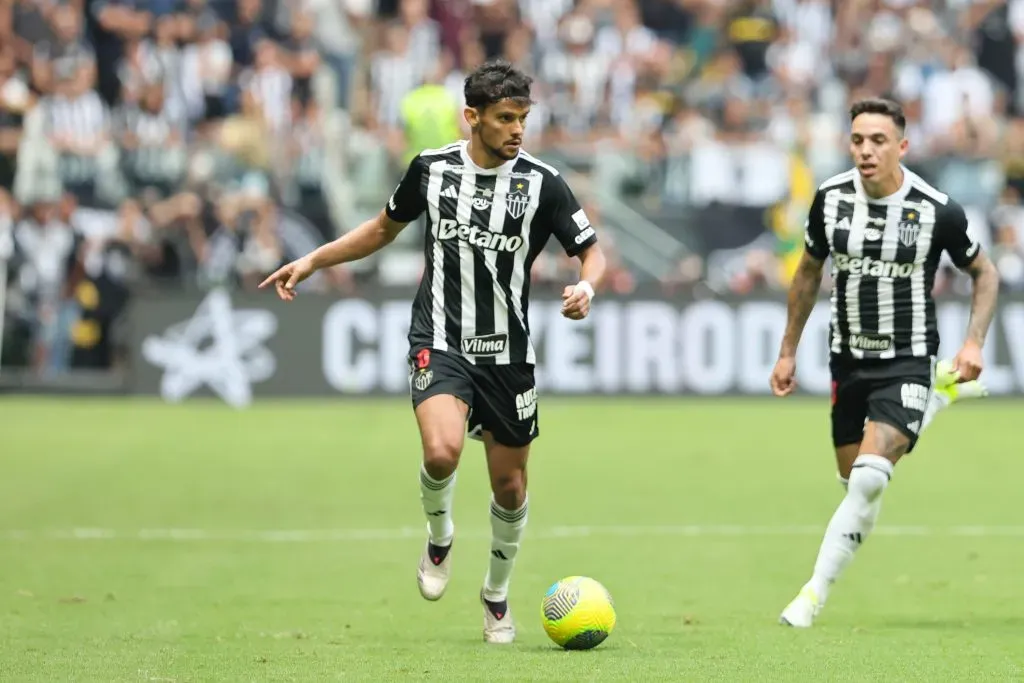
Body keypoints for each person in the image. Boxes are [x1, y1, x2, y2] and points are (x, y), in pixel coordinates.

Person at [259, 60, 607, 644]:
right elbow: (380, 229)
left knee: (511, 488)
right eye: (505, 118)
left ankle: (495, 595)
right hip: (440, 339)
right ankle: (440, 533)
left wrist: (586, 286)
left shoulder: (543, 183)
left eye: (523, 117)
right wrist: (314, 260)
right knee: (442, 451)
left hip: (508, 351)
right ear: (472, 117)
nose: (517, 129)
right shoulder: (432, 170)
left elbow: (590, 251)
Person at [769, 97, 1000, 628]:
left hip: (907, 359)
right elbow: (806, 274)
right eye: (857, 140)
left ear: (902, 146)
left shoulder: (936, 208)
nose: (866, 150)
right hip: (846, 364)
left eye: (877, 141)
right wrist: (786, 352)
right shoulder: (828, 200)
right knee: (854, 481)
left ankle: (811, 596)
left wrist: (973, 344)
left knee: (872, 478)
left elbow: (984, 273)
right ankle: (937, 403)